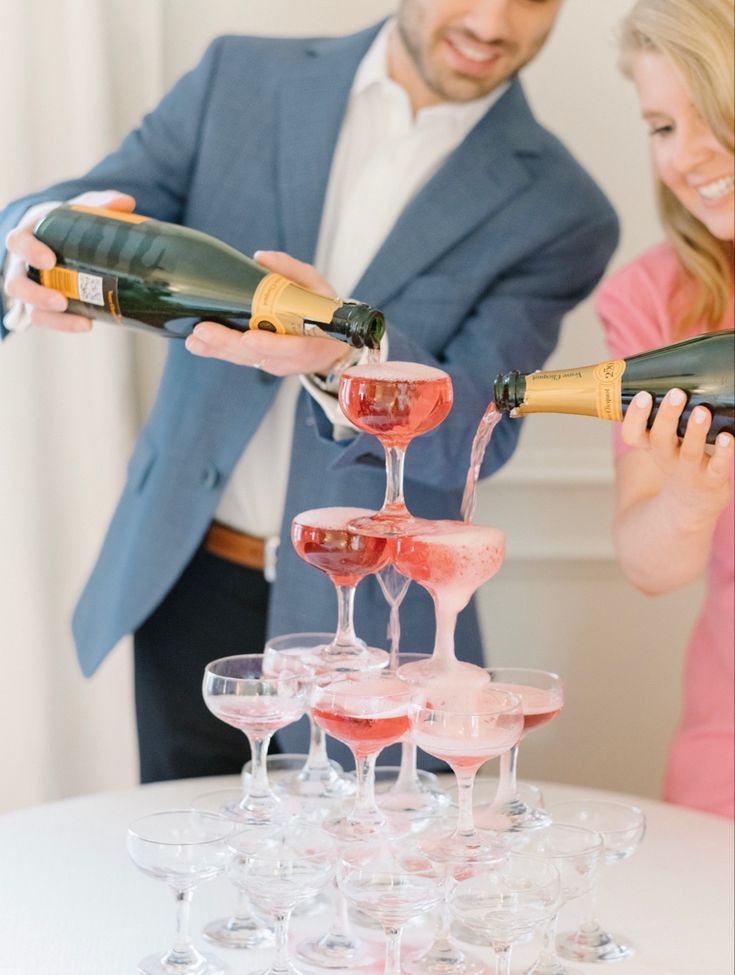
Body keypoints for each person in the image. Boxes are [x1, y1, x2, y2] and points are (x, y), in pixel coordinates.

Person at [0, 0, 618, 783]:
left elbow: (479, 435)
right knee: (199, 868)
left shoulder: (562, 209)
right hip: (185, 575)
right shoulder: (240, 77)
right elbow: (87, 203)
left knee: (373, 891)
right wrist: (35, 232)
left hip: (379, 620)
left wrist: (348, 362)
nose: (493, 23)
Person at [597, 0, 734, 817]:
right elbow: (651, 564)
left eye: (713, 112)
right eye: (660, 126)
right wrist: (690, 499)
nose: (688, 156)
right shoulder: (652, 300)